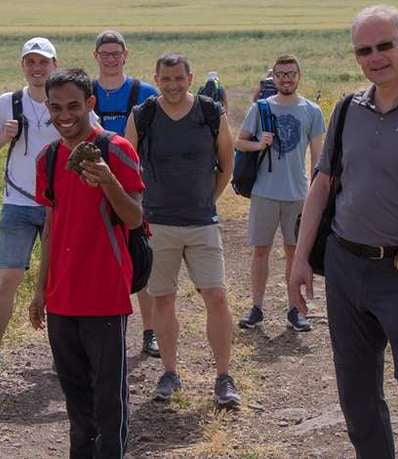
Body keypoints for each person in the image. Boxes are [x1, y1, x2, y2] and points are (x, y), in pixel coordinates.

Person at [288, 5, 398, 458]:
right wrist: (299, 260)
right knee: (357, 399)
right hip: (345, 268)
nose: (375, 58)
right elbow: (322, 186)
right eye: (364, 50)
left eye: (384, 46)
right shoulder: (348, 110)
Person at [28, 68, 144, 458]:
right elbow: (50, 226)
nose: (65, 115)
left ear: (90, 104)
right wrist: (40, 291)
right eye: (56, 107)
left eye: (74, 106)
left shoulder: (116, 150)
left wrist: (109, 181)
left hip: (105, 292)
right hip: (62, 297)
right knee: (76, 401)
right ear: (47, 107)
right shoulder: (47, 159)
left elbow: (134, 218)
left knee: (109, 400)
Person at [0, 37, 98, 383]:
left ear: (55, 64)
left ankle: (66, 354)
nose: (37, 68)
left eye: (43, 62)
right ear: (23, 66)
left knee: (61, 279)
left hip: (61, 205)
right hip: (18, 203)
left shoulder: (67, 101)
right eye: (31, 62)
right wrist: (3, 137)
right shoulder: (9, 103)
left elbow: (96, 138)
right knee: (8, 278)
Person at [124, 53, 240, 408]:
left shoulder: (210, 113)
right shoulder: (142, 115)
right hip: (157, 223)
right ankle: (170, 372)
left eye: (179, 78)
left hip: (202, 223)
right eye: (166, 79)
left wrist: (207, 200)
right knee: (163, 299)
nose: (172, 85)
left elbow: (227, 163)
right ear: (156, 79)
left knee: (216, 297)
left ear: (190, 79)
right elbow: (127, 166)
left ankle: (224, 377)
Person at [235, 54, 325, 332]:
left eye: (291, 74)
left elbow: (318, 157)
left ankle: (294, 309)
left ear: (299, 76)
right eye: (281, 74)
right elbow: (239, 143)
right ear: (273, 77)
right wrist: (258, 145)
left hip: (298, 194)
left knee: (295, 253)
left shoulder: (312, 111)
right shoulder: (260, 109)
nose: (286, 79)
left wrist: (316, 194)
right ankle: (256, 308)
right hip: (264, 192)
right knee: (260, 251)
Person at [92, 29, 160, 357]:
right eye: (105, 54)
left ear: (125, 56)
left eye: (116, 53)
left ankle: (150, 331)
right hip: (92, 185)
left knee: (140, 256)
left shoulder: (145, 93)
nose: (111, 59)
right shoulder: (85, 92)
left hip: (134, 186)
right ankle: (97, 328)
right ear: (96, 57)